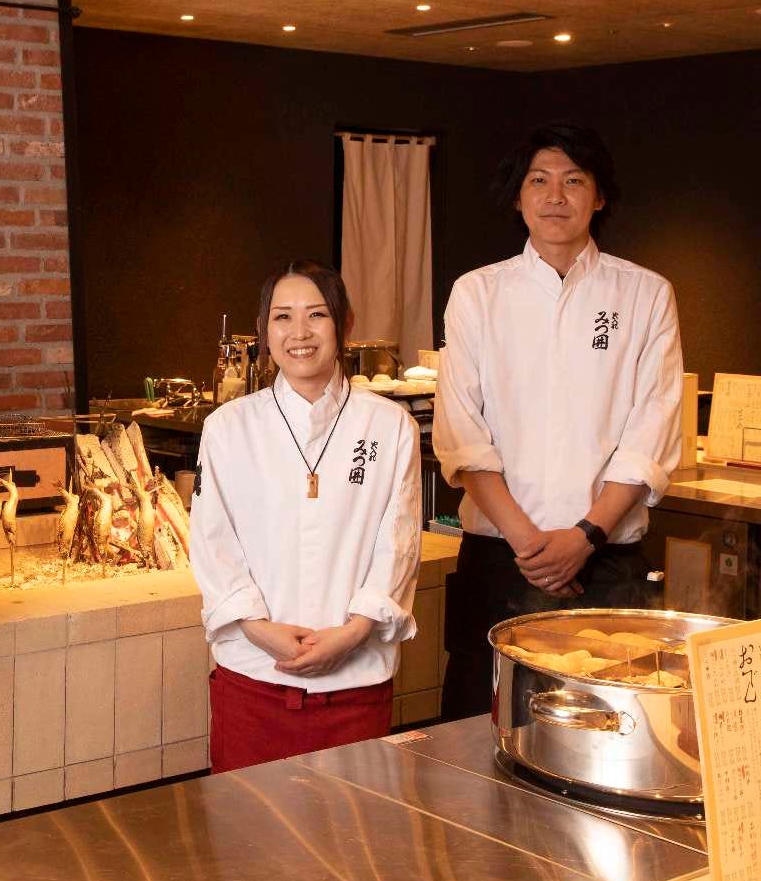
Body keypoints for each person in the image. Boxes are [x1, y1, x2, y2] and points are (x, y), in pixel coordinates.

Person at [433, 122, 683, 720]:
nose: (555, 196)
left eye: (573, 181)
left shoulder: (645, 293)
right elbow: (463, 434)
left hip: (607, 558)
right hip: (499, 556)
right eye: (538, 181)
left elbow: (652, 429)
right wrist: (533, 546)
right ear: (517, 197)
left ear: (599, 196)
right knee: (475, 728)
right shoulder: (478, 293)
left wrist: (584, 537)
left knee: (606, 727)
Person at [190, 259, 421, 774]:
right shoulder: (229, 426)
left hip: (356, 685)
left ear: (344, 324)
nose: (299, 332)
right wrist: (256, 626)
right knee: (246, 823)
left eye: (317, 314)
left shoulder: (389, 426)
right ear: (263, 330)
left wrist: (356, 631)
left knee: (355, 824)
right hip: (254, 678)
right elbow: (211, 540)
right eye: (283, 317)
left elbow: (399, 541)